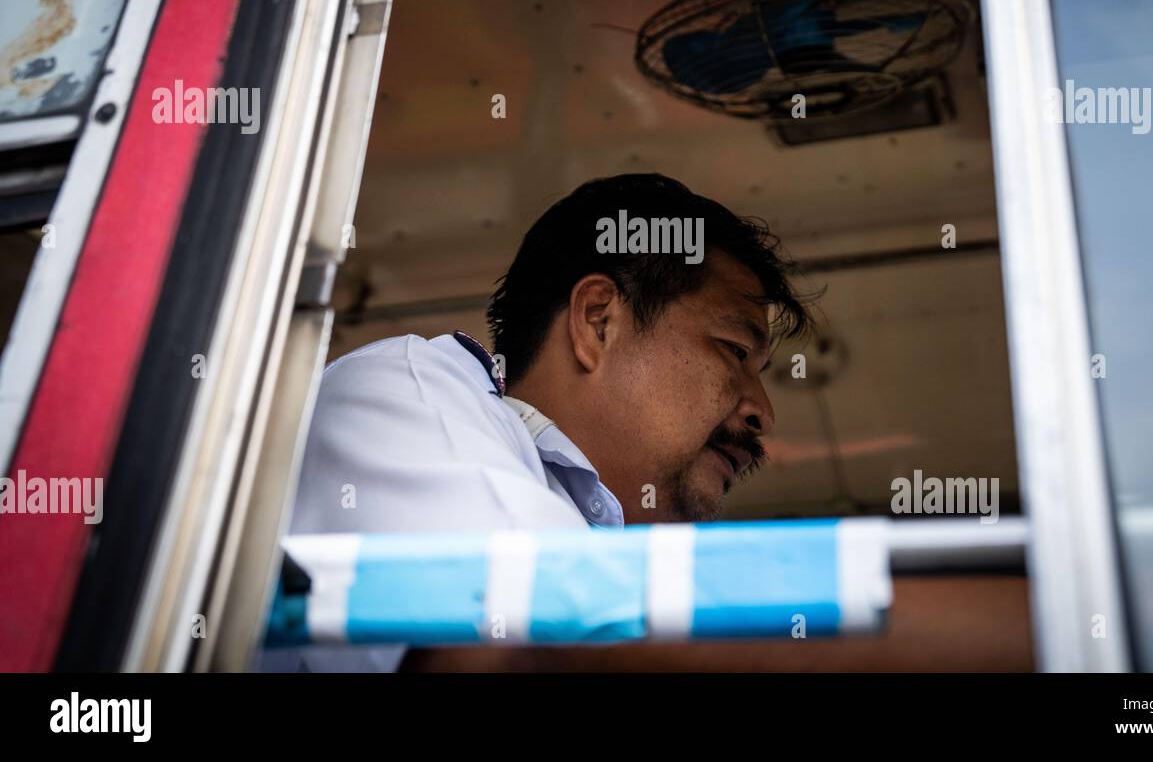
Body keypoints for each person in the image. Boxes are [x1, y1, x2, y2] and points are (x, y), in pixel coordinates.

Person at [258, 172, 814, 671]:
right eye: (735, 351)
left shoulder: (596, 537)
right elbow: (509, 644)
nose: (762, 412)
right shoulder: (408, 388)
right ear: (598, 320)